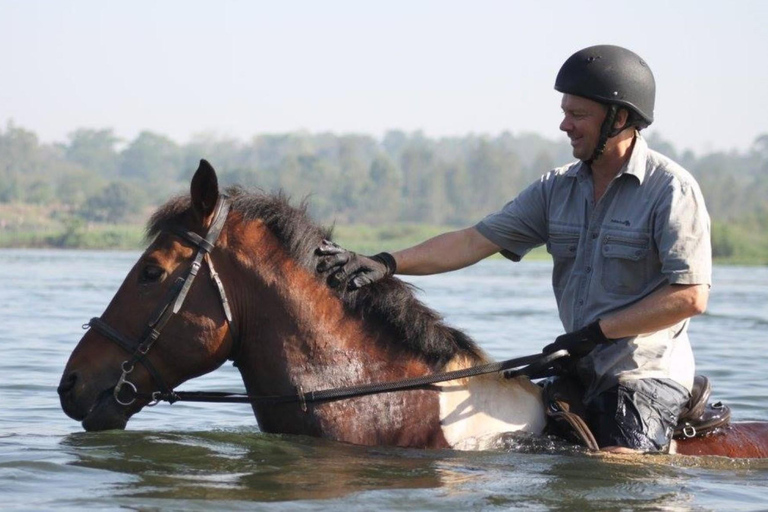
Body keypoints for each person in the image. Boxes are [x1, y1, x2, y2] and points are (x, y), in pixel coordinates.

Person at [316, 44, 711, 454]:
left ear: (620, 119)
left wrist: (596, 333)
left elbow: (690, 296)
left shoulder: (671, 189)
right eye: (564, 112)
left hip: (642, 374)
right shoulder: (555, 188)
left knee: (611, 470)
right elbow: (473, 240)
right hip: (578, 369)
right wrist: (385, 262)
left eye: (578, 115)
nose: (564, 125)